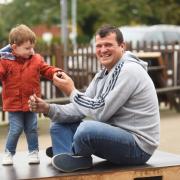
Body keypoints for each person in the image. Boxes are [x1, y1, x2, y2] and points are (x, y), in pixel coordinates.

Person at [28, 24, 160, 172]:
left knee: (87, 129)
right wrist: (48, 108)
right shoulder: (103, 74)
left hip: (138, 147)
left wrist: (71, 91)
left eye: (108, 45)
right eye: (99, 46)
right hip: (115, 136)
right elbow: (81, 107)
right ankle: (73, 157)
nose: (103, 50)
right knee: (59, 123)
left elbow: (100, 112)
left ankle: (69, 150)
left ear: (122, 46)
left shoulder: (128, 70)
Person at [0, 24, 62, 165]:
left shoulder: (36, 59)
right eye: (27, 48)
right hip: (13, 104)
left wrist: (55, 72)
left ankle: (33, 152)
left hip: (32, 102)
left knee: (32, 128)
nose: (31, 51)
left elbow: (46, 69)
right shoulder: (5, 61)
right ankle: (9, 153)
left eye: (32, 47)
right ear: (14, 47)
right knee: (16, 129)